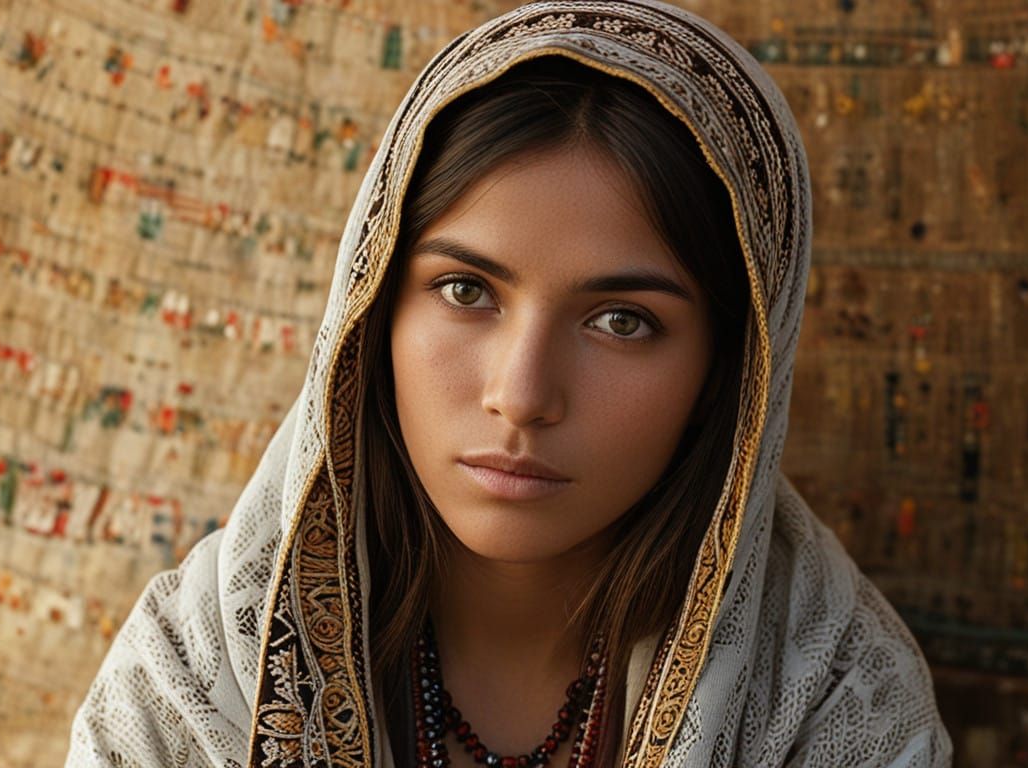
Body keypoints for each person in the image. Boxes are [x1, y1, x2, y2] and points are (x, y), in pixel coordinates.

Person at [66, 2, 953, 766]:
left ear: (733, 376)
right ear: (371, 314)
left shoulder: (835, 703)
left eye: (622, 321)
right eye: (466, 291)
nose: (523, 394)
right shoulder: (199, 676)